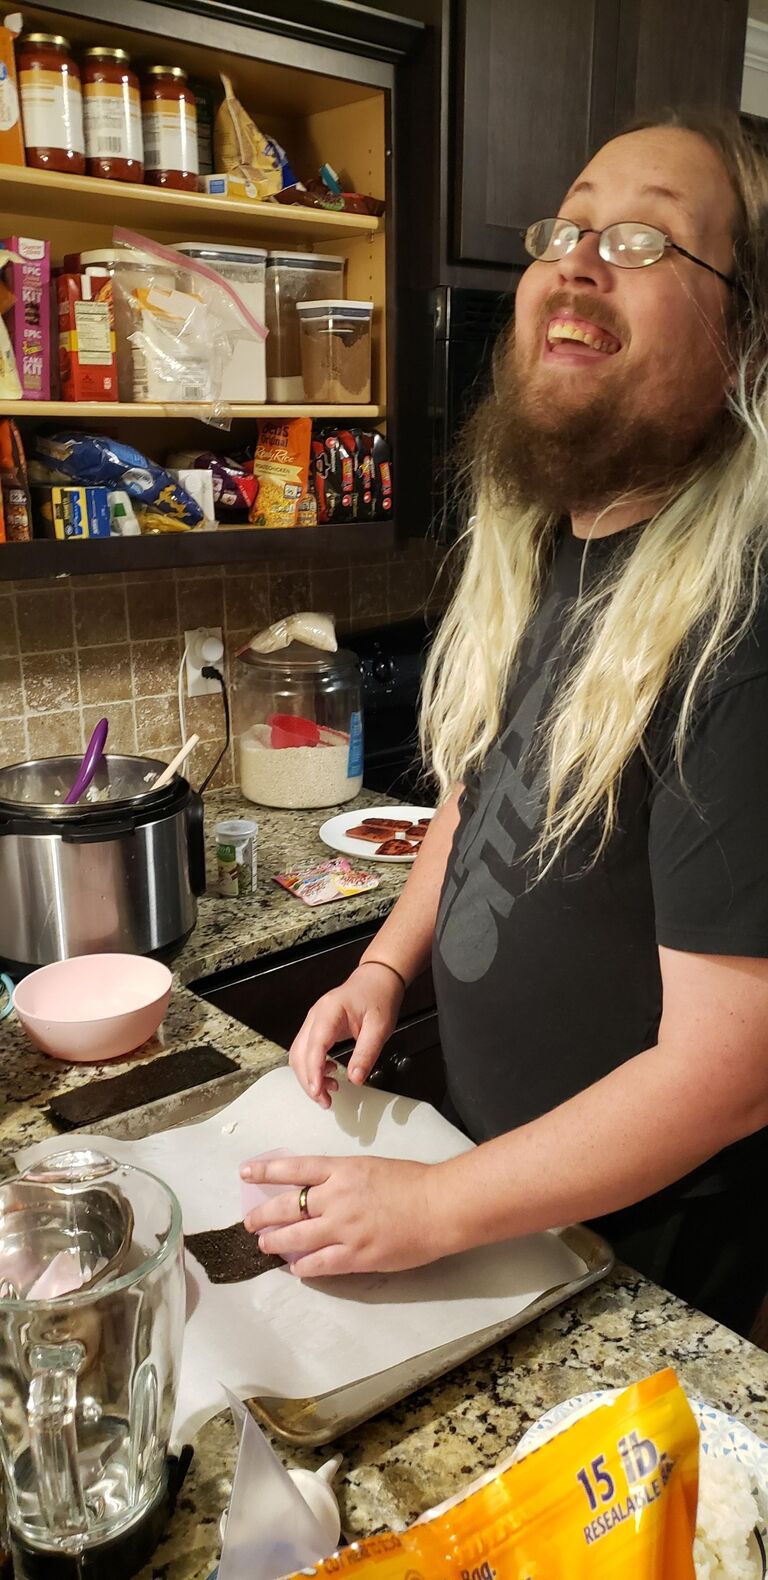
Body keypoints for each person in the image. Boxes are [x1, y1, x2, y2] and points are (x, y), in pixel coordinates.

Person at [242, 111, 768, 1335]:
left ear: (745, 334)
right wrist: (382, 965)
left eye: (645, 238)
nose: (579, 259)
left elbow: (729, 1071)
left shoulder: (739, 625)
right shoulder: (550, 546)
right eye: (569, 225)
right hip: (507, 1200)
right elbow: (475, 797)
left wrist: (432, 1208)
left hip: (646, 1259)